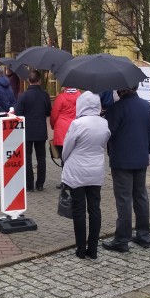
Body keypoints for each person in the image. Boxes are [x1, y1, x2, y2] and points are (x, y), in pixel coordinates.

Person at [102, 85, 150, 253]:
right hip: (141, 158)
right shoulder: (148, 106)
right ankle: (144, 235)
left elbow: (109, 133)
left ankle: (122, 239)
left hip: (122, 160)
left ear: (121, 89)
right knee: (141, 196)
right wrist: (149, 152)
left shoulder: (116, 108)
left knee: (124, 200)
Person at [61, 91, 110, 259]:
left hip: (77, 171)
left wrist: (63, 161)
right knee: (95, 208)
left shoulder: (77, 124)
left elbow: (67, 147)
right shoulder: (104, 123)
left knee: (79, 210)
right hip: (96, 170)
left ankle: (81, 249)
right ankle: (93, 249)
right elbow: (104, 144)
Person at [15, 69, 52, 191]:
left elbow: (18, 113)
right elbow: (48, 112)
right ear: (40, 81)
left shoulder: (23, 95)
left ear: (28, 81)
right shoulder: (45, 95)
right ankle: (40, 184)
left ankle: (29, 185)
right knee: (41, 157)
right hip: (41, 130)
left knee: (27, 157)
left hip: (27, 131)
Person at [51, 87, 81, 161]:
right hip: (76, 128)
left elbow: (54, 114)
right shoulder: (80, 97)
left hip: (62, 130)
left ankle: (65, 171)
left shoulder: (61, 97)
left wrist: (52, 125)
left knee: (63, 157)